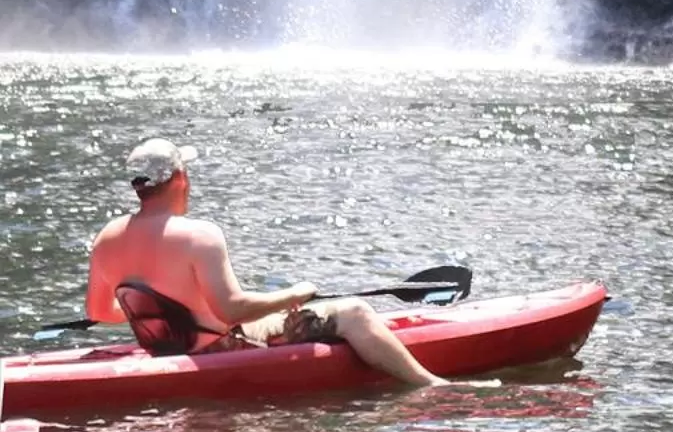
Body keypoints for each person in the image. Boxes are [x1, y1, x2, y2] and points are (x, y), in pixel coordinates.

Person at [84, 137, 446, 387]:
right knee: (354, 312)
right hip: (219, 348)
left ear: (139, 186)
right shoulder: (199, 235)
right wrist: (295, 294)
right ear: (180, 178)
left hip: (170, 346)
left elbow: (100, 311)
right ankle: (430, 385)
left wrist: (163, 314)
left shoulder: (107, 238)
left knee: (269, 317)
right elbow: (232, 310)